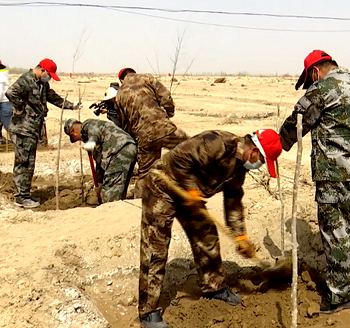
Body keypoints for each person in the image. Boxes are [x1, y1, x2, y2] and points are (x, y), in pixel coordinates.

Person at [138, 129, 282, 328]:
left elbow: (233, 200)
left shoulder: (240, 169)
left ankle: (214, 287)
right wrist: (190, 188)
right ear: (254, 151)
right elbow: (180, 158)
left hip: (190, 198)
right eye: (263, 160)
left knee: (207, 236)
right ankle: (148, 312)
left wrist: (241, 236)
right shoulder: (218, 143)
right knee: (155, 247)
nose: (260, 166)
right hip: (163, 186)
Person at [278, 50, 350, 314]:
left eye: (310, 80)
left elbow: (297, 123)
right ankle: (345, 282)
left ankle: (339, 295)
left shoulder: (322, 90)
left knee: (335, 231)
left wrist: (277, 144)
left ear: (314, 72)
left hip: (333, 174)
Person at [6, 59, 80, 208]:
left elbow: (53, 97)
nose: (50, 78)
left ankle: (24, 193)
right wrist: (22, 109)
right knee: (24, 163)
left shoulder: (42, 84)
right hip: (23, 129)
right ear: (42, 70)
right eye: (49, 75)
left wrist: (71, 106)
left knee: (29, 162)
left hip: (32, 130)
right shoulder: (26, 80)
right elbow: (10, 92)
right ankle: (21, 197)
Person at [115, 67, 188, 198]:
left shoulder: (119, 93)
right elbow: (165, 96)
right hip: (164, 129)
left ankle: (139, 203)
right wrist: (169, 113)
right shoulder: (147, 78)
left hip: (144, 137)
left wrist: (135, 137)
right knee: (192, 149)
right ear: (134, 73)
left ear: (121, 80)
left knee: (145, 173)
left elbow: (123, 122)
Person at [64, 118, 136, 202]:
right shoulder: (95, 138)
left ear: (73, 133)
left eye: (76, 139)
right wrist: (99, 183)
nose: (80, 140)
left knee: (110, 191)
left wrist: (92, 141)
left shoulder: (88, 125)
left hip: (118, 151)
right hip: (127, 149)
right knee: (119, 187)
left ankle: (109, 211)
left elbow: (94, 131)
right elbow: (99, 163)